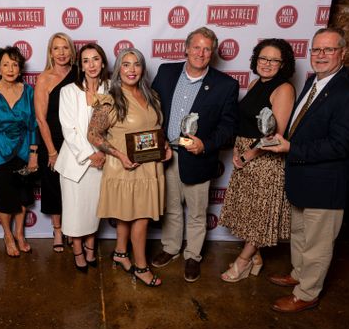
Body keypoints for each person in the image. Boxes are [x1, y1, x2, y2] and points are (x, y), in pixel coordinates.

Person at [262, 27, 349, 312]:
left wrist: (290, 149)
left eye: (329, 50)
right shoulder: (314, 81)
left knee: (318, 244)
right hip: (304, 179)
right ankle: (298, 274)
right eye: (316, 50)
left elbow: (340, 146)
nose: (321, 55)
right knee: (299, 234)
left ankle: (307, 293)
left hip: (327, 184)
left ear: (342, 53)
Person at [151, 26, 239, 282]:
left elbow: (228, 127)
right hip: (167, 153)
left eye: (207, 49)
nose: (201, 53)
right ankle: (171, 247)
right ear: (186, 48)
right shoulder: (166, 72)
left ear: (212, 53)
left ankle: (193, 255)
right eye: (196, 47)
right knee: (171, 208)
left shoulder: (225, 85)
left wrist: (206, 146)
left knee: (198, 211)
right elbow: (153, 109)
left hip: (198, 157)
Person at [88, 48, 171, 287]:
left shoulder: (152, 95)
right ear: (118, 69)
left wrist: (164, 146)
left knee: (128, 215)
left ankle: (121, 253)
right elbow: (93, 134)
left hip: (150, 167)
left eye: (136, 64)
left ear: (143, 69)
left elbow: (156, 128)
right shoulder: (110, 99)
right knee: (140, 218)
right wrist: (119, 156)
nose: (131, 69)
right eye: (126, 64)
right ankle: (142, 267)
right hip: (125, 168)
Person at [218, 39, 296, 282]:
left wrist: (248, 154)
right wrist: (235, 150)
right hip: (244, 153)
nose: (267, 64)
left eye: (274, 60)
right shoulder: (254, 84)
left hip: (264, 160)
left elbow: (275, 136)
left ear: (283, 64)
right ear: (256, 60)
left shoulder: (284, 89)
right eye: (263, 58)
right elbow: (244, 124)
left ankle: (242, 261)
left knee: (259, 214)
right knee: (249, 211)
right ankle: (257, 258)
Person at [0, 46, 38, 258]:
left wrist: (33, 152)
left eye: (15, 64)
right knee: (5, 198)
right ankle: (7, 236)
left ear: (20, 68)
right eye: (6, 64)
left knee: (22, 197)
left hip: (23, 149)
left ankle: (20, 235)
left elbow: (34, 124)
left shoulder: (30, 91)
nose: (11, 69)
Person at [54, 44, 109, 272]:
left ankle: (90, 247)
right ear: (81, 65)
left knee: (93, 209)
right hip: (76, 163)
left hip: (102, 161)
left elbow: (115, 128)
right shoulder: (68, 91)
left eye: (95, 59)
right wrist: (90, 155)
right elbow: (69, 129)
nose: (91, 65)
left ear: (103, 62)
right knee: (75, 211)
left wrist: (103, 153)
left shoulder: (111, 89)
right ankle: (77, 251)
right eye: (86, 61)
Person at [34, 33, 77, 252]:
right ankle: (58, 230)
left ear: (72, 51)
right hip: (53, 140)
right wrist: (51, 151)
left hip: (76, 140)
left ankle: (72, 228)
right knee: (53, 185)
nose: (61, 53)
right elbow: (41, 118)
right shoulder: (45, 78)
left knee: (74, 186)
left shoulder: (79, 74)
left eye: (65, 48)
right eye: (56, 48)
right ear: (50, 52)